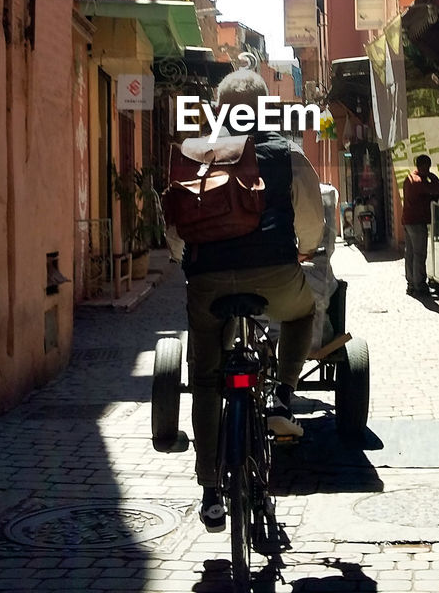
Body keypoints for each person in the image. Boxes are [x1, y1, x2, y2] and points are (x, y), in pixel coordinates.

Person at [164, 69, 324, 533]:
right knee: (301, 313)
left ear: (219, 108)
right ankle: (282, 396)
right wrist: (305, 249)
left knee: (208, 377)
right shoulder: (286, 153)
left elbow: (175, 231)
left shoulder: (198, 154)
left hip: (208, 284)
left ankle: (211, 490)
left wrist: (184, 258)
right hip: (273, 275)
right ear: (266, 106)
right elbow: (311, 221)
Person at [400, 154, 439, 296]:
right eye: (428, 167)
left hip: (407, 220)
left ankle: (411, 283)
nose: (428, 169)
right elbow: (437, 190)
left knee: (410, 253)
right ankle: (420, 284)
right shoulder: (419, 181)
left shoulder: (409, 178)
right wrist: (433, 176)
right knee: (419, 254)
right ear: (424, 166)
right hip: (417, 221)